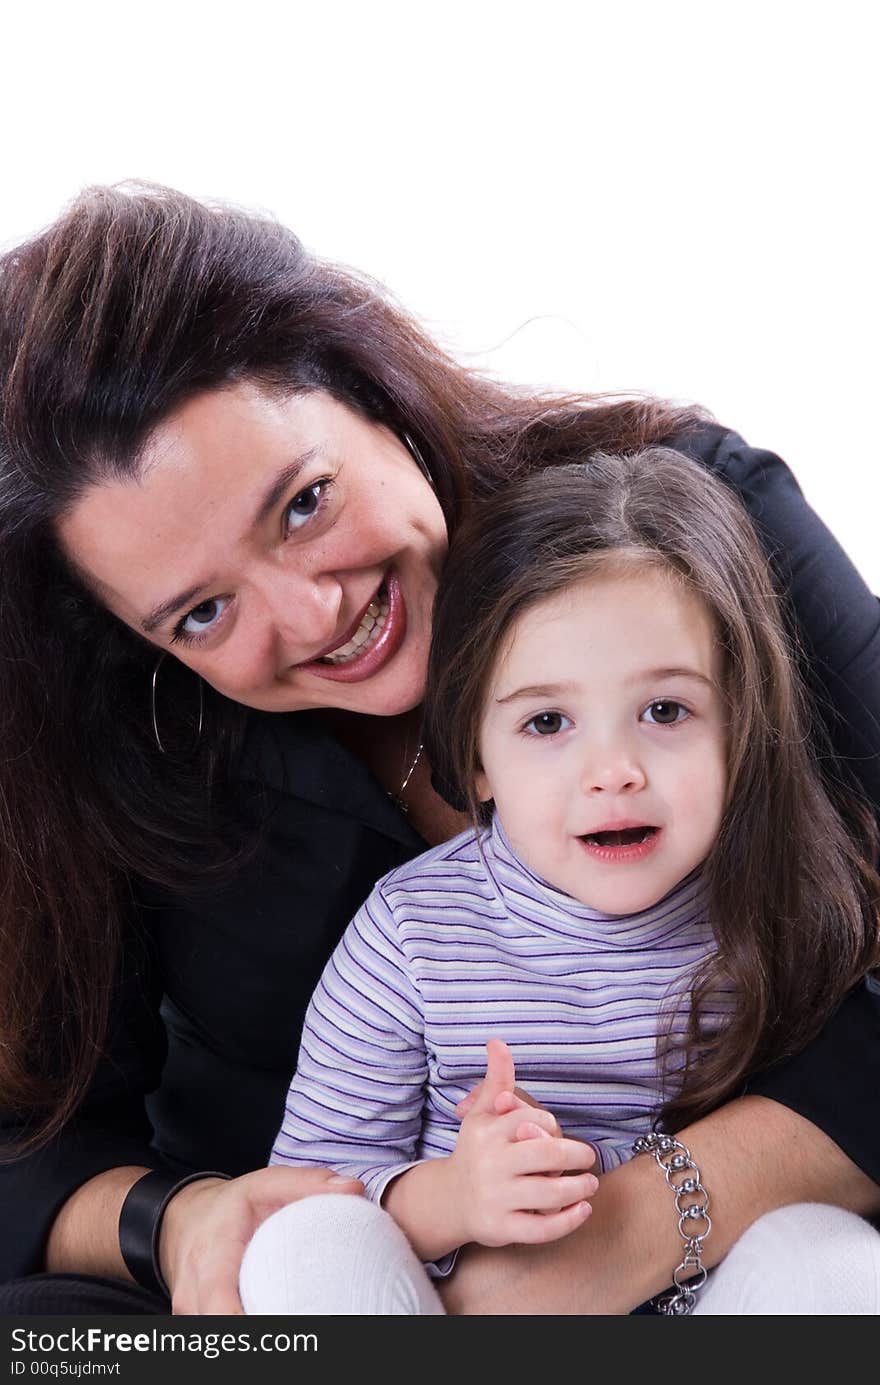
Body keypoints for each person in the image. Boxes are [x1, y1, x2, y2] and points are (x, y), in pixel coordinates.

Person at [0, 184, 878, 1317]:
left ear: (377, 394)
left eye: (305, 502)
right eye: (201, 613)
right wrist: (175, 1220)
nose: (311, 616)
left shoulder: (688, 538)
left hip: (753, 1250)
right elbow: (27, 1141)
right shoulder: (123, 734)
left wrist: (625, 1235)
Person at [239, 450, 880, 1314]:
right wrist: (459, 1195)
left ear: (744, 724)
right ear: (475, 757)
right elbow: (309, 1190)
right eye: (547, 721)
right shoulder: (412, 934)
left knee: (831, 1255)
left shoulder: (779, 901)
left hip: (704, 1300)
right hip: (455, 1307)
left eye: (666, 710)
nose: (613, 770)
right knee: (302, 1244)